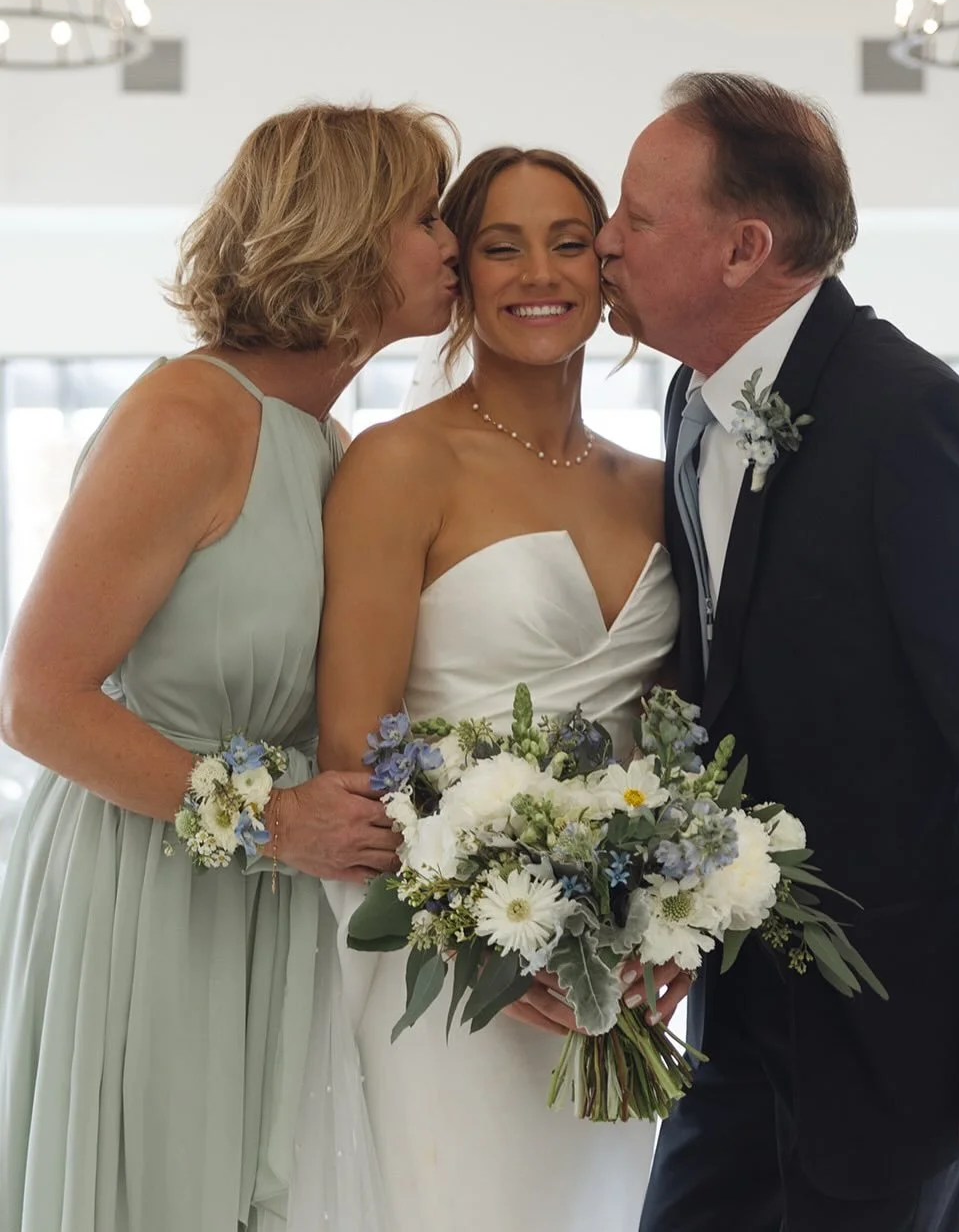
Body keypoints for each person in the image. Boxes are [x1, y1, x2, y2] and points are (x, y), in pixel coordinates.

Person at [594, 70, 959, 1232]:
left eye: (636, 217)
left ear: (742, 247)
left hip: (896, 1048)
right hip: (740, 1027)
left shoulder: (913, 422)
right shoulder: (688, 405)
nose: (603, 244)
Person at [0, 101, 460, 1232]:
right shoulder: (188, 415)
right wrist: (270, 823)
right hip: (144, 887)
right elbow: (34, 700)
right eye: (423, 216)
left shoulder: (334, 447)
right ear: (347, 233)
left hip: (267, 898)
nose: (451, 241)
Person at [309, 146, 680, 1232]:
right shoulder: (400, 462)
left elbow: (665, 736)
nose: (540, 273)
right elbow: (351, 742)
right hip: (446, 959)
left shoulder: (655, 486)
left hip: (600, 970)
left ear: (606, 269)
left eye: (569, 243)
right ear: (459, 275)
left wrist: (666, 914)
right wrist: (476, 928)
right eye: (501, 245)